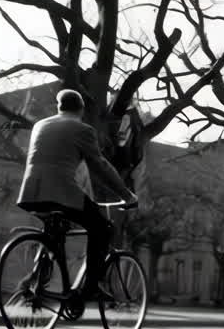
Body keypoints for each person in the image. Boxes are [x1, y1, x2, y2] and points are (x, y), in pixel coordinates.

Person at [16, 89, 138, 300]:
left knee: (56, 233)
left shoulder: (40, 125)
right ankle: (90, 286)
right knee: (102, 228)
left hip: (30, 193)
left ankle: (38, 281)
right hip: (60, 192)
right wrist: (126, 194)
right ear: (81, 109)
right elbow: (100, 165)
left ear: (59, 107)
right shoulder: (82, 129)